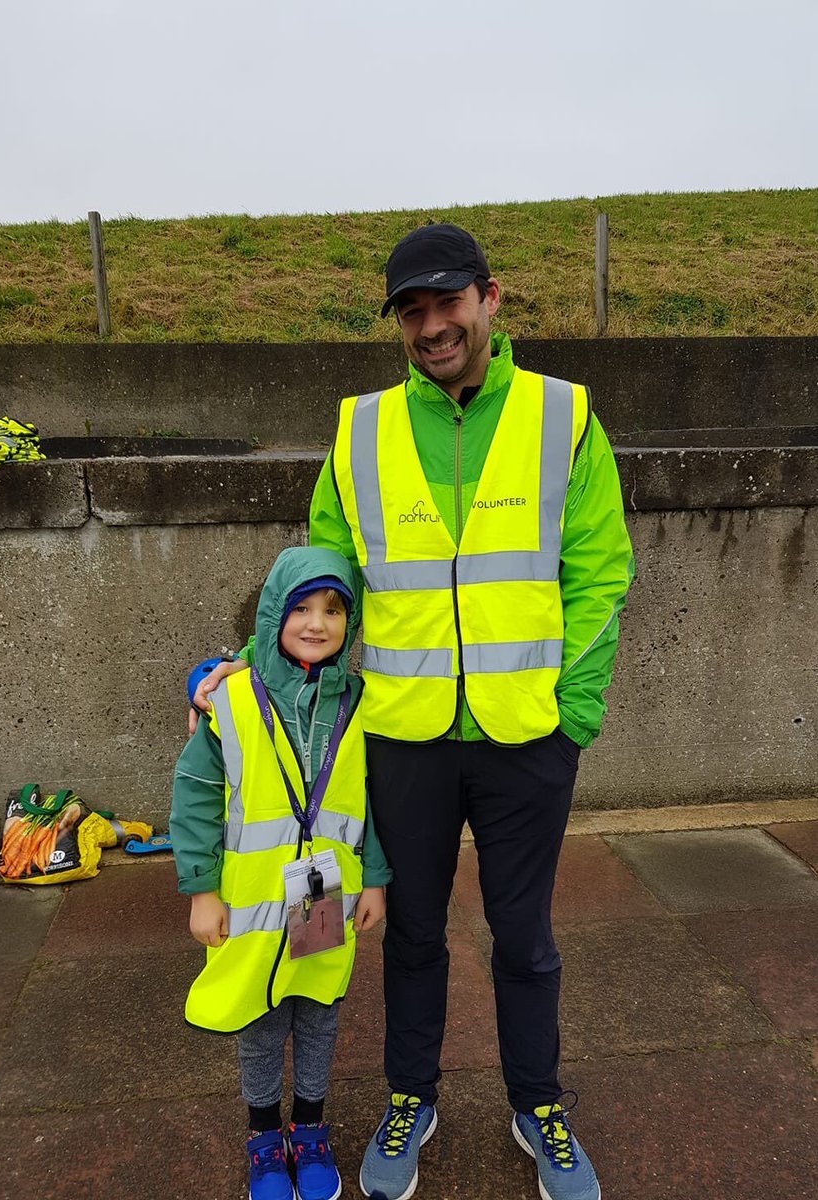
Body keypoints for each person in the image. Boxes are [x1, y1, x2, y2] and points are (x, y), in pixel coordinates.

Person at [194, 223, 634, 1200]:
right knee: (411, 934)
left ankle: (537, 1106)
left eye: (446, 303)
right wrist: (244, 668)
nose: (430, 326)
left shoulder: (562, 418)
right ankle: (409, 1096)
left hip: (527, 736)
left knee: (523, 939)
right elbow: (319, 579)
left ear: (489, 299)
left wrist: (575, 716)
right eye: (411, 311)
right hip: (401, 736)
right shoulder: (359, 430)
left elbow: (600, 573)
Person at [172, 545, 391, 1200]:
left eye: (332, 610)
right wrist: (201, 890)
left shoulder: (360, 699)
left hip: (322, 887)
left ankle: (311, 1128)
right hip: (252, 896)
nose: (317, 622)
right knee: (262, 1016)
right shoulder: (231, 700)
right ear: (273, 617)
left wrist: (374, 877)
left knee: (316, 1006)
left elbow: (372, 798)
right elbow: (194, 796)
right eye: (300, 608)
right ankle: (265, 1136)